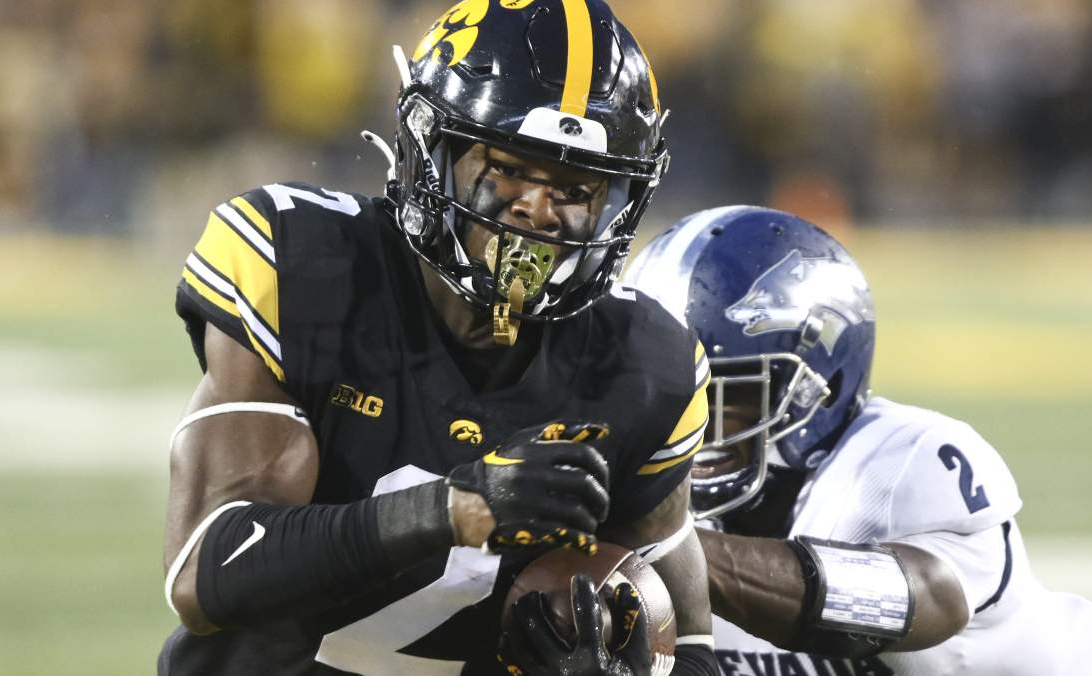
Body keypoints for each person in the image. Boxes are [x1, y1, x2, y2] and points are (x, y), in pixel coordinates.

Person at [158, 2, 724, 674]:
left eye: (575, 187)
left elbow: (692, 653)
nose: (537, 210)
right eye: (508, 166)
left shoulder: (642, 364)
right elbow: (208, 569)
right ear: (430, 148)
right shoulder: (307, 266)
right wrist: (454, 508)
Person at [625, 206, 1092, 675]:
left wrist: (657, 545)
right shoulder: (632, 480)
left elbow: (927, 599)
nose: (681, 425)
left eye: (719, 396)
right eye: (657, 395)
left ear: (818, 389)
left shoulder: (908, 461)